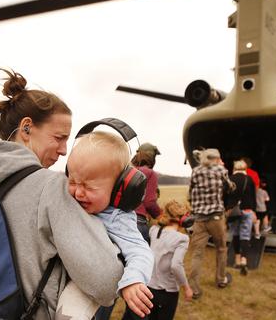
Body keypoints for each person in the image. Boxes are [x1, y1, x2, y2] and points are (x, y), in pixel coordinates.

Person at [0, 68, 123, 319]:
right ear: (27, 128)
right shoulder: (50, 187)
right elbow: (105, 283)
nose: (65, 150)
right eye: (59, 137)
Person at [58, 131, 155, 319]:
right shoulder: (71, 199)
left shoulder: (118, 218)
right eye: (72, 181)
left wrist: (133, 280)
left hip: (81, 288)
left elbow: (140, 251)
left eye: (89, 187)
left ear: (120, 188)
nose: (78, 193)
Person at [123, 200, 193, 320]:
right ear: (182, 219)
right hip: (167, 292)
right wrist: (186, 287)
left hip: (149, 288)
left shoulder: (154, 230)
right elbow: (176, 265)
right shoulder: (182, 238)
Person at [187, 148, 235, 298]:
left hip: (199, 219)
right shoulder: (221, 170)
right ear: (216, 158)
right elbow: (231, 187)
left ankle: (194, 288)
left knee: (197, 253)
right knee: (221, 249)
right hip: (216, 218)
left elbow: (190, 193)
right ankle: (221, 280)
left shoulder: (195, 171)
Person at [225, 159, 256, 275]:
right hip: (247, 210)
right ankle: (244, 260)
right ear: (245, 168)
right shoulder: (250, 180)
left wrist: (227, 208)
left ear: (235, 168)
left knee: (236, 235)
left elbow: (226, 196)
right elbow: (253, 197)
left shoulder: (230, 179)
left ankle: (237, 260)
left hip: (234, 211)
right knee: (245, 236)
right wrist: (254, 211)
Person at [131, 143, 163, 244]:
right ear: (152, 158)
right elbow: (149, 202)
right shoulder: (150, 173)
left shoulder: (126, 170)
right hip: (138, 222)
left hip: (118, 221)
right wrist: (161, 215)